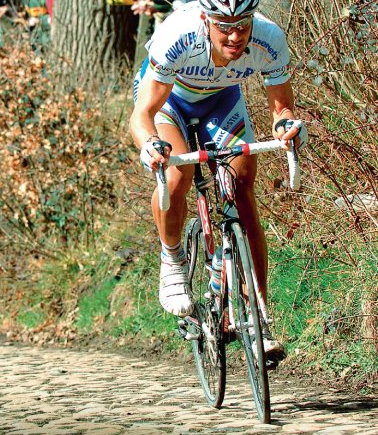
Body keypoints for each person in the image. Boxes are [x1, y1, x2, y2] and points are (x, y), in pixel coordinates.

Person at [129, 0, 307, 361]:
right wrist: (150, 144)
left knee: (242, 191)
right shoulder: (178, 34)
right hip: (169, 103)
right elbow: (142, 113)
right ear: (205, 19)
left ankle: (257, 319)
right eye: (224, 25)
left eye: (243, 24)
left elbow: (281, 109)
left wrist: (287, 127)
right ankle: (172, 257)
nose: (235, 35)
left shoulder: (269, 37)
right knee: (179, 172)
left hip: (222, 102)